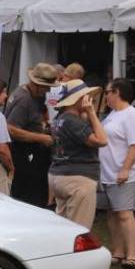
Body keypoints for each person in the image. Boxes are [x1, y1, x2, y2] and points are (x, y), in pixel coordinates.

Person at [98, 78, 135, 269]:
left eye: (107, 92)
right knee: (112, 213)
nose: (106, 96)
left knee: (125, 213)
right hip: (108, 172)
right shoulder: (112, 115)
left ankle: (131, 255)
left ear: (117, 92)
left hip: (123, 173)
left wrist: (125, 168)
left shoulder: (132, 115)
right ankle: (118, 251)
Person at [47, 79, 107, 229]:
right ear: (78, 98)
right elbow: (102, 140)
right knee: (79, 229)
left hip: (58, 175)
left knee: (63, 227)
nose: (90, 99)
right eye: (86, 95)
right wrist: (91, 112)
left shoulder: (59, 119)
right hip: (77, 178)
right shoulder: (73, 121)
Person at [5, 63, 58, 207]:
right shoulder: (24, 100)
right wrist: (41, 137)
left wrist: (45, 124)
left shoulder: (35, 95)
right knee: (28, 195)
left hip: (31, 150)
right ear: (36, 84)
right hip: (23, 151)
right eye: (46, 87)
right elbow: (11, 129)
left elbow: (41, 111)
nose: (48, 90)